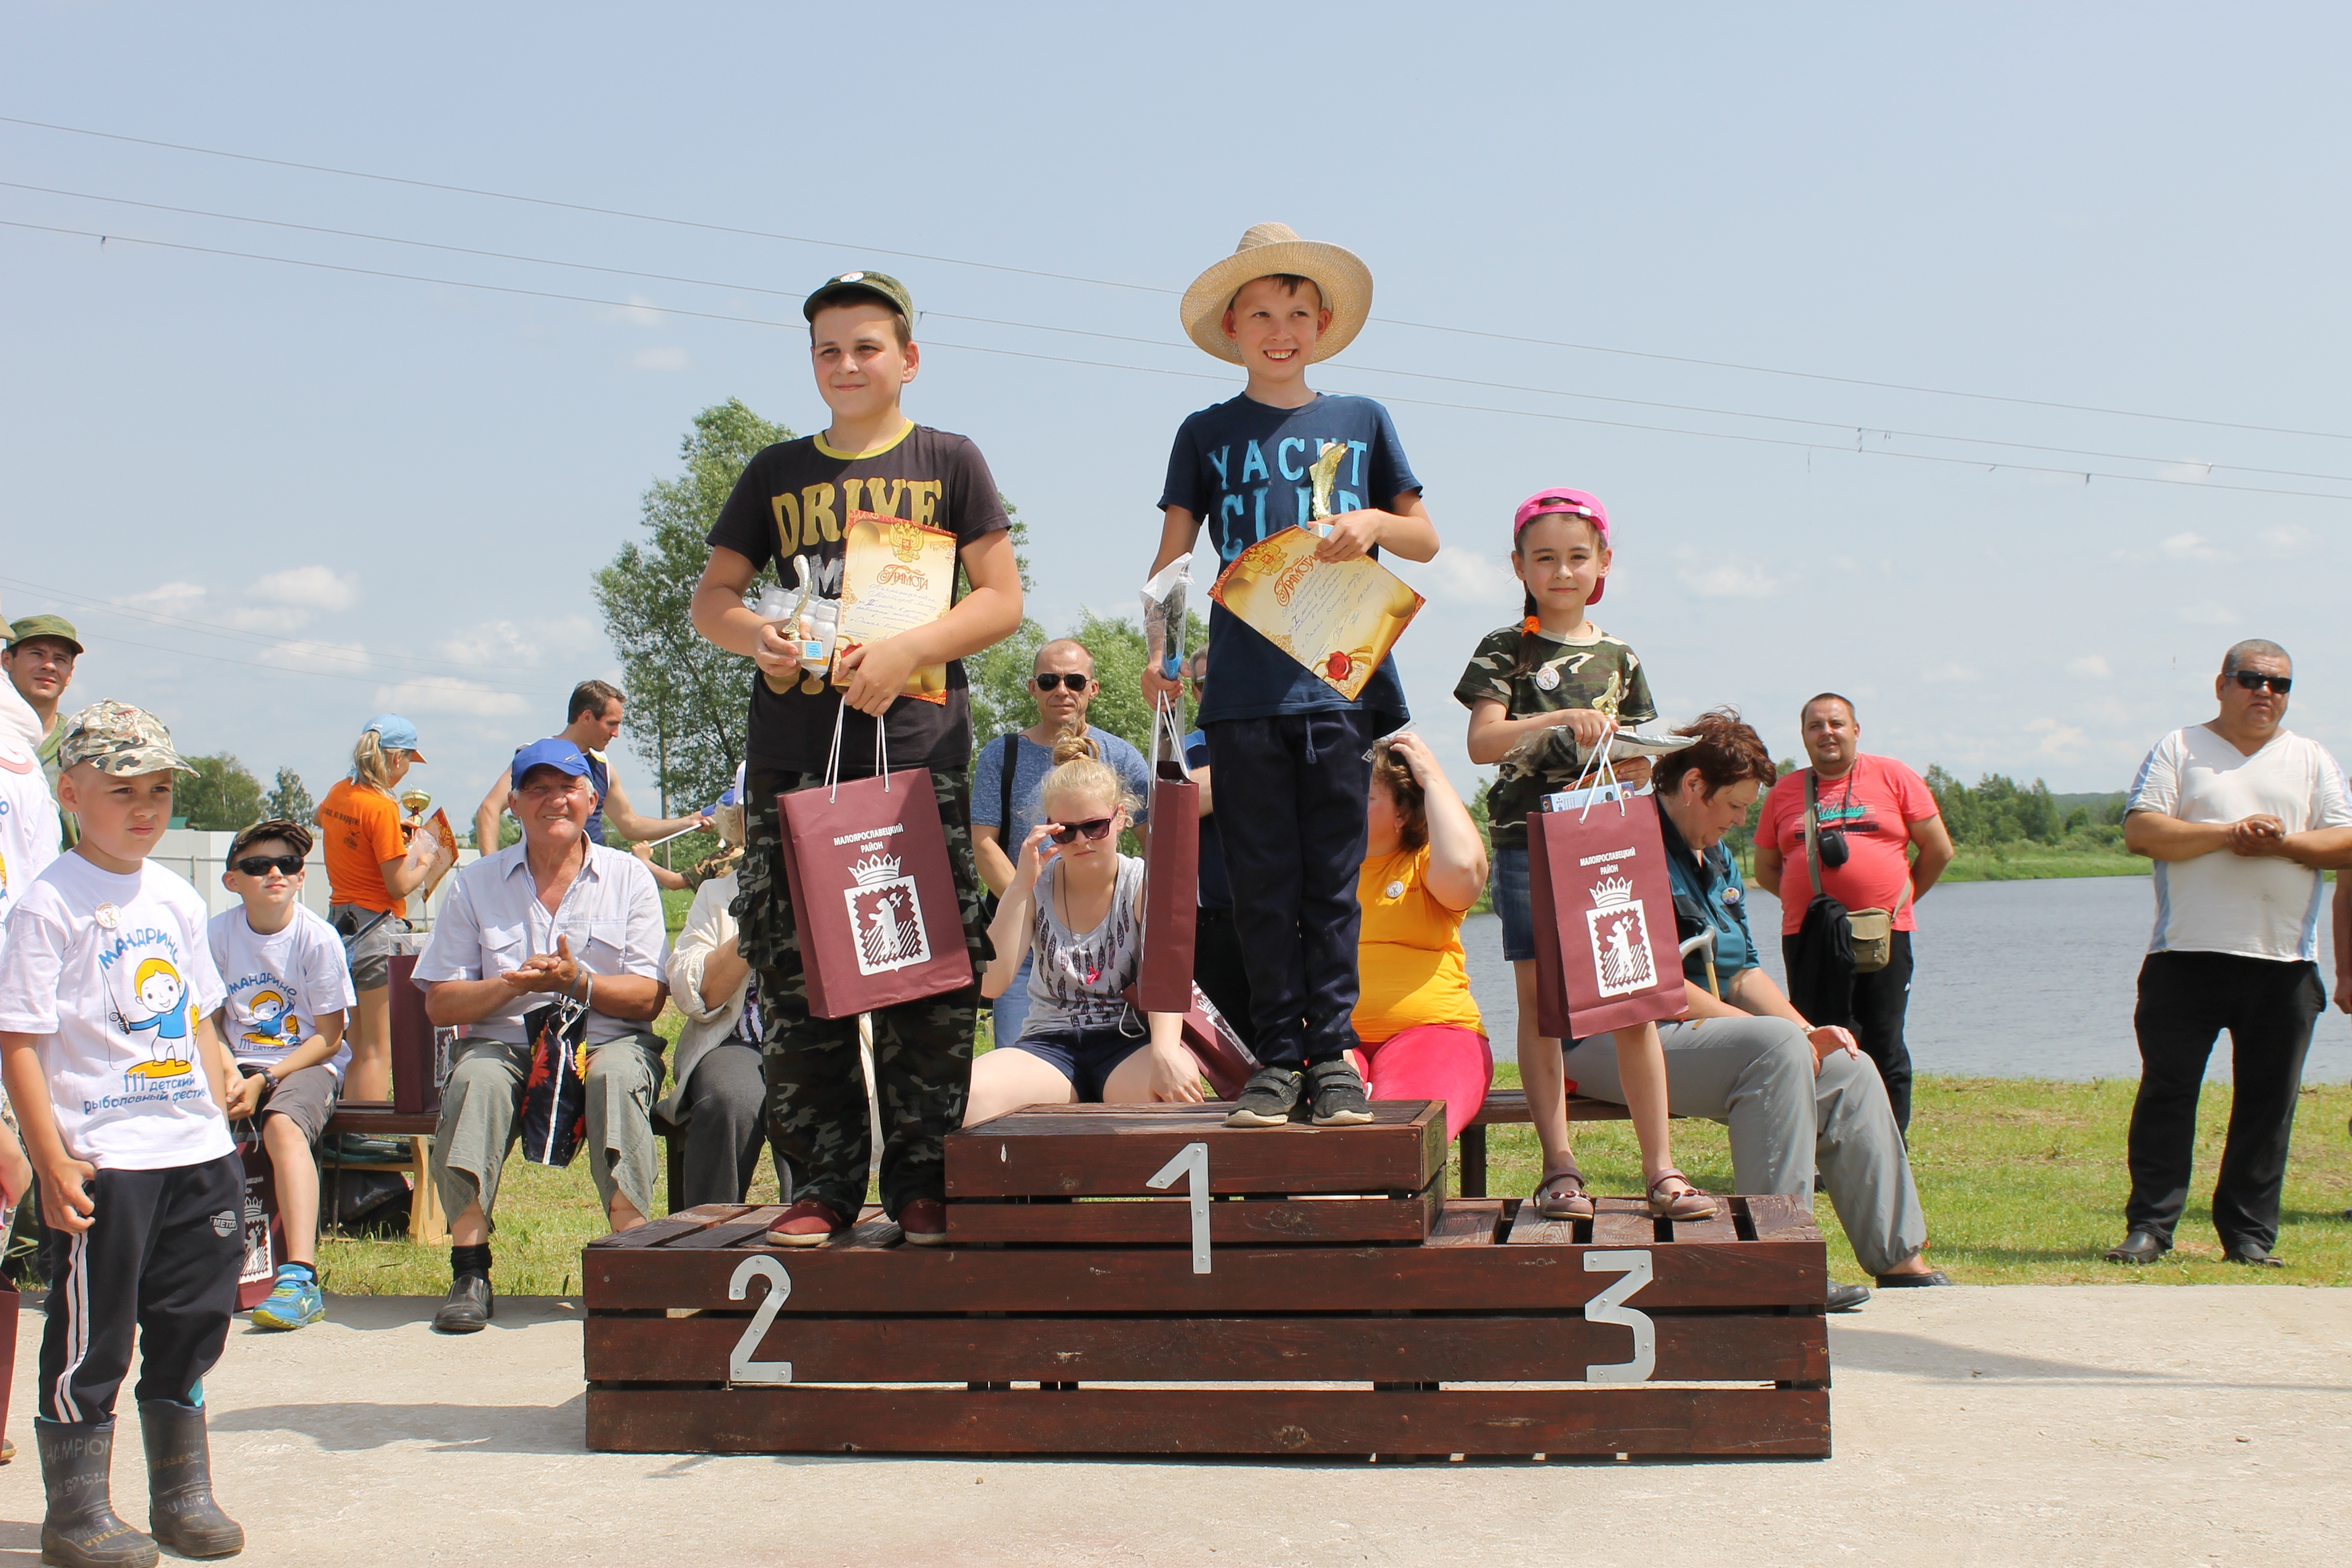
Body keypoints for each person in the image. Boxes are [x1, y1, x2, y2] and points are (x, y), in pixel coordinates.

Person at [691, 269, 1022, 1247]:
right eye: (828, 349)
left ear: (907, 359)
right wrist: (757, 636)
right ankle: (824, 1181)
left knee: (923, 968)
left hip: (916, 751)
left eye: (866, 346)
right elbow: (712, 598)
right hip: (795, 754)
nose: (847, 364)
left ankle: (922, 1176)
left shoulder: (949, 459)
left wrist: (911, 649)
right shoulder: (774, 472)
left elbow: (999, 597)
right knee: (797, 970)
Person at [1144, 222, 1439, 1129]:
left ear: (1323, 323)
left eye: (1298, 312)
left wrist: (1374, 529)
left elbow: (1424, 536)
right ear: (1232, 328)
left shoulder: (1362, 420)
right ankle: (1277, 1056)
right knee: (1262, 878)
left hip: (1340, 682)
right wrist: (1159, 653)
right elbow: (1170, 558)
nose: (1280, 327)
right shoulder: (1204, 432)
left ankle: (1333, 1056)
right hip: (1239, 690)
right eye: (1261, 313)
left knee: (1332, 876)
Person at [1565, 708, 1947, 1307]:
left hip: (1699, 1040)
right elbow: (1652, 983)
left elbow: (1741, 970)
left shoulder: (1712, 854)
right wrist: (1780, 1037)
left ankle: (1901, 1258)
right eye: (1736, 806)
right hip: (1608, 1044)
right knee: (1776, 1050)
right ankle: (1775, 1263)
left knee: (1849, 1062)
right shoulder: (1622, 843)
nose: (1744, 820)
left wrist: (1812, 1031)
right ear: (1694, 787)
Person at [0, 702, 247, 1562]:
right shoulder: (48, 906)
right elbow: (20, 1041)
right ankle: (77, 1513)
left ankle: (183, 1493)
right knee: (95, 1335)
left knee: (194, 1320)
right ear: (70, 792)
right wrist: (48, 1156)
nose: (146, 808)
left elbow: (199, 1014)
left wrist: (219, 1088)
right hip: (107, 1164)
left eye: (160, 789)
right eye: (122, 790)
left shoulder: (176, 894)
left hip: (194, 1153)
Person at [1458, 487, 1711, 1221]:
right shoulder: (1505, 650)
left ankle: (1661, 1170)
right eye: (1545, 559)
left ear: (1602, 562)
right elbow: (1482, 744)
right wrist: (1564, 719)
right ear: (1519, 567)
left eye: (1576, 557)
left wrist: (1636, 763)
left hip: (1608, 844)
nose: (1562, 572)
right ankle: (1558, 1166)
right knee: (1543, 1006)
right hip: (1526, 843)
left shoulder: (1620, 655)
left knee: (1634, 1004)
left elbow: (1643, 750)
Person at [2106, 640, 2352, 1268]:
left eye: (2279, 684)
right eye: (2250, 679)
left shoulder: (2311, 758)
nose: (2264, 692)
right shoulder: (2180, 748)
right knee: (2168, 1093)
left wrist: (2280, 843)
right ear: (2222, 684)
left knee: (2269, 1104)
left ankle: (2248, 1236)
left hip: (2284, 965)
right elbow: (2142, 830)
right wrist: (2228, 832)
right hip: (2184, 957)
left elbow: (2345, 840)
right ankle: (2151, 1228)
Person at [414, 739, 670, 1330]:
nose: (554, 799)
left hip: (608, 1038)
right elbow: (440, 1001)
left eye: (568, 787)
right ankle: (470, 1268)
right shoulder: (474, 882)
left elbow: (650, 997)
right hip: (505, 1043)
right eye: (537, 788)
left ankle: (630, 1267)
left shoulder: (630, 878)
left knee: (619, 1075)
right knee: (474, 1078)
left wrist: (579, 981)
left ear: (592, 798)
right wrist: (509, 987)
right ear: (515, 804)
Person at [965, 734, 1203, 1125]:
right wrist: (1020, 886)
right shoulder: (1036, 885)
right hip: (1050, 1045)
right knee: (971, 1095)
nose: (1081, 841)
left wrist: (1165, 1051)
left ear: (1121, 818)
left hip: (1126, 1042)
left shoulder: (1141, 882)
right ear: (1048, 829)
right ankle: (1041, 1188)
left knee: (1175, 1089)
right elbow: (991, 984)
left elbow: (1166, 977)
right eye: (1065, 832)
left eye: (1095, 827)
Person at [1754, 694, 1954, 1135]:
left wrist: (1897, 905)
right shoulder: (1785, 791)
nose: (1827, 732)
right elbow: (1765, 869)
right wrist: (1811, 912)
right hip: (1810, 939)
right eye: (1815, 726)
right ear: (1804, 736)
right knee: (1819, 1040)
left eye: (1837, 723)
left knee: (1883, 1039)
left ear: (1856, 730)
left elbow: (1939, 849)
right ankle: (1828, 1144)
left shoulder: (1894, 776)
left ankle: (1888, 1146)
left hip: (1884, 934)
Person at [206, 817, 355, 1333]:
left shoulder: (317, 939)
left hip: (306, 1061)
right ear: (232, 880)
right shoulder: (217, 933)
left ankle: (299, 1275)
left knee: (282, 1128)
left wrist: (264, 1082)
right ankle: (184, 1262)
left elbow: (330, 1037)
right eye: (257, 865)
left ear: (300, 877)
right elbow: (208, 1022)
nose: (275, 872)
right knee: (184, 1119)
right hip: (234, 1060)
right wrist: (229, 1072)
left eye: (287, 864)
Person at [972, 638, 1153, 1045]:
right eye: (1049, 680)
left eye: (1073, 680)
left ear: (1093, 688)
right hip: (1025, 944)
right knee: (1021, 1065)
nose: (1062, 690)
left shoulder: (1122, 756)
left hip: (1110, 946)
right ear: (1033, 688)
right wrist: (1036, 911)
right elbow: (983, 844)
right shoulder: (1001, 755)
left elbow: (1151, 839)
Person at [1351, 732, 1491, 1142]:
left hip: (1435, 1031)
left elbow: (1465, 871)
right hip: (1333, 1038)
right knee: (1311, 1132)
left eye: (1366, 794)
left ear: (1403, 815)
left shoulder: (1425, 863)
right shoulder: (1319, 870)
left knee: (1400, 1131)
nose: (1346, 798)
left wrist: (1433, 778)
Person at [315, 712, 445, 1105]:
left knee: (353, 1047)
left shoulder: (337, 794)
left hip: (341, 923)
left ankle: (347, 1139)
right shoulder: (382, 808)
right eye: (407, 761)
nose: (406, 771)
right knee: (376, 1050)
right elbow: (398, 884)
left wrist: (395, 836)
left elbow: (356, 842)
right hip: (378, 927)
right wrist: (425, 855)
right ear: (395, 759)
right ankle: (363, 1143)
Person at [471, 680, 712, 885]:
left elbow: (630, 824)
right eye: (611, 723)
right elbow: (489, 810)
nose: (616, 733)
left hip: (593, 878)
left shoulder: (604, 766)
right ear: (587, 717)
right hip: (540, 878)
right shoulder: (534, 757)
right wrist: (493, 875)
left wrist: (687, 822)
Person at [657, 790, 773, 1209]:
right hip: (737, 1041)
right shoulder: (716, 894)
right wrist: (754, 926)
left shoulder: (840, 883)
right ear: (740, 822)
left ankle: (822, 1257)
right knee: (730, 1101)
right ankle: (703, 1245)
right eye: (759, 810)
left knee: (816, 1110)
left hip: (819, 1042)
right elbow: (693, 994)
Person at [1180, 647, 1254, 1047]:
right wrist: (1249, 762)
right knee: (1240, 1053)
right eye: (1204, 683)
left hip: (1281, 918)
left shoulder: (1272, 735)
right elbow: (1178, 806)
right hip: (1214, 925)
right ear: (1193, 692)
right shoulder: (1184, 748)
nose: (1214, 690)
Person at [4, 614, 82, 848]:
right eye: (36, 654)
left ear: (70, 673)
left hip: (62, 882)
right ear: (7, 660)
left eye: (60, 659)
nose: (49, 665)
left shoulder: (84, 746)